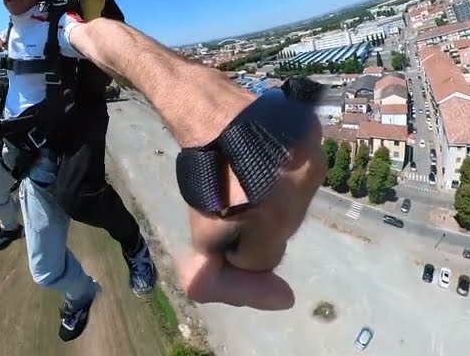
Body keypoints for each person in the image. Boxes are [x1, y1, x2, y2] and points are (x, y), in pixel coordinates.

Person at [32, 16, 328, 312]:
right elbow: (111, 42)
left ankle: (136, 247)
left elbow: (281, 298)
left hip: (224, 175)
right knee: (207, 275)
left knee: (210, 273)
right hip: (263, 134)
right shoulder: (206, 78)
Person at [25, 0, 157, 298]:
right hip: (50, 105)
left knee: (77, 195)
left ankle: (134, 245)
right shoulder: (34, 3)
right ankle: (15, 222)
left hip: (84, 103)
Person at [0, 0, 103, 342]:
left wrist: (97, 40)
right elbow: (6, 42)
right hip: (11, 137)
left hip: (45, 151)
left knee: (46, 271)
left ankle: (81, 293)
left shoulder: (58, 26)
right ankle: (12, 225)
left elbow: (83, 38)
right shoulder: (14, 25)